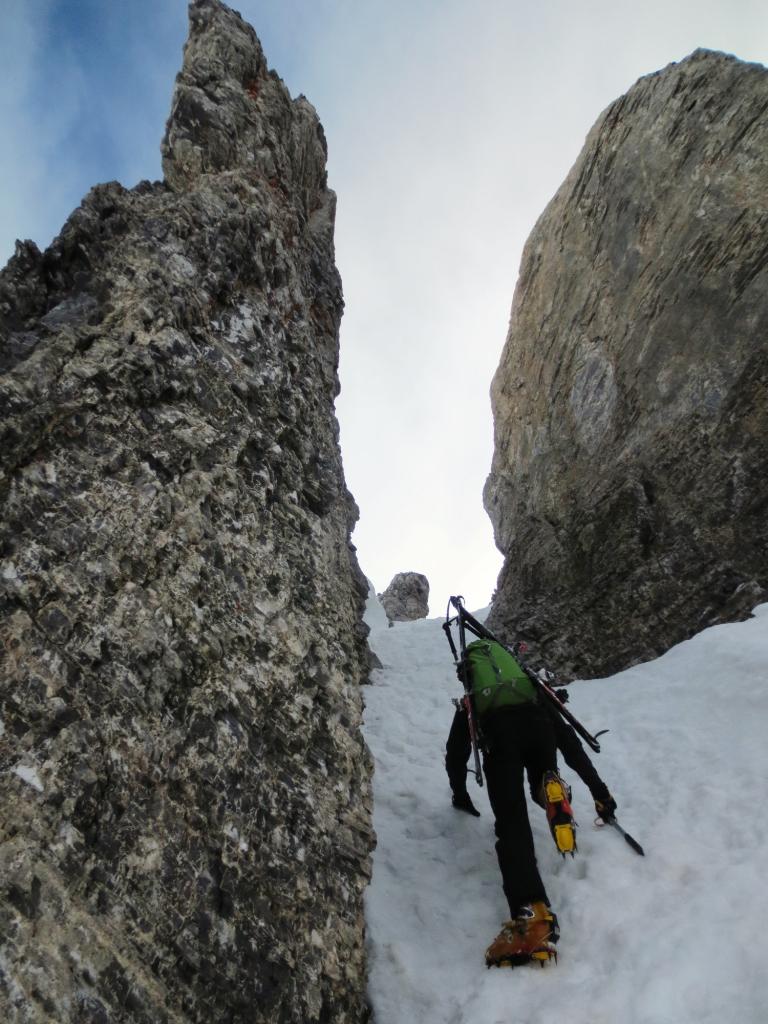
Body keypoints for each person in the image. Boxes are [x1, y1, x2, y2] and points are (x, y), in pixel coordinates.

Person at [445, 649, 616, 967]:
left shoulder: (472, 702)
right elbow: (570, 742)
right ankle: (552, 790)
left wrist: (460, 795)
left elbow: (454, 756)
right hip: (540, 725)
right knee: (542, 774)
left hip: (500, 737)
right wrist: (601, 794)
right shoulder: (532, 686)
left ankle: (532, 917)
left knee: (512, 825)